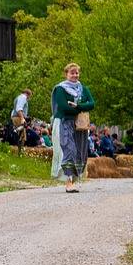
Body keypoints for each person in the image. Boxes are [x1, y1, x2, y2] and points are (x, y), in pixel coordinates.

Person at [49, 62, 95, 193]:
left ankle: (73, 179)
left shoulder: (83, 89)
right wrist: (79, 108)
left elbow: (92, 104)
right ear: (66, 74)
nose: (75, 75)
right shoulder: (60, 89)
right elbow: (63, 106)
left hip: (80, 126)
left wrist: (78, 107)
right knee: (69, 150)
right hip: (64, 122)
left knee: (80, 152)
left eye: (77, 72)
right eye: (72, 72)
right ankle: (68, 182)